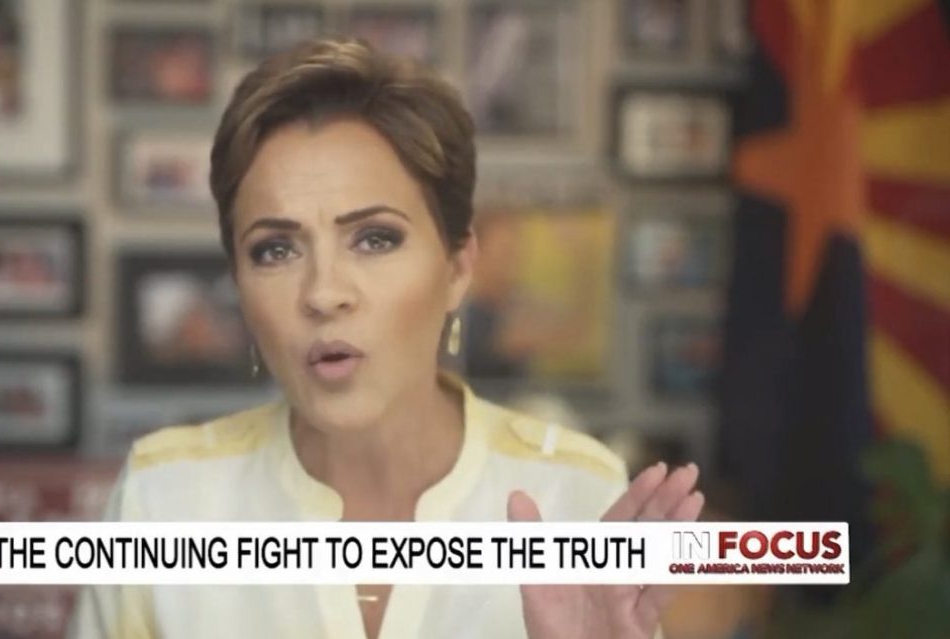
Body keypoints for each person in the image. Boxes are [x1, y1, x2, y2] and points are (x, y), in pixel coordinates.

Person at [70, 37, 703, 639]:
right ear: (239, 283)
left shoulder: (577, 492)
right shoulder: (164, 497)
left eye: (375, 239)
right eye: (275, 249)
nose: (323, 293)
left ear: (457, 267)